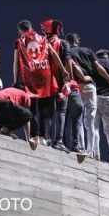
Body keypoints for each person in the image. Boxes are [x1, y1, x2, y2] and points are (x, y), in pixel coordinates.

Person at [13, 20, 68, 146]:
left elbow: (16, 62)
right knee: (45, 110)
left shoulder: (19, 42)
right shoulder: (43, 39)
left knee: (31, 107)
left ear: (20, 31)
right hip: (45, 77)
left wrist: (16, 79)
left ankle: (35, 135)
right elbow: (53, 54)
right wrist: (63, 70)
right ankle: (45, 137)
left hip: (29, 78)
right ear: (31, 27)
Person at [66, 33, 109, 158]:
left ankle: (81, 147)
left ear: (68, 42)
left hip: (75, 87)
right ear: (78, 41)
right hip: (89, 86)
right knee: (90, 122)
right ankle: (91, 152)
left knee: (79, 119)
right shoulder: (88, 51)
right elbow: (99, 68)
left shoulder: (67, 52)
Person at [40, 18, 72, 151]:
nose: (42, 29)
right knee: (61, 111)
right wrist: (69, 81)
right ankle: (58, 141)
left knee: (46, 111)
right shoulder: (62, 43)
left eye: (43, 27)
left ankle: (44, 138)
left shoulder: (41, 42)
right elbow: (67, 62)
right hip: (59, 81)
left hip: (44, 81)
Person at [0, 82, 37, 150]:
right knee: (29, 115)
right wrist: (28, 139)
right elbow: (27, 119)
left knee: (11, 118)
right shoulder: (25, 94)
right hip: (4, 103)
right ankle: (5, 129)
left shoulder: (9, 90)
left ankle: (2, 130)